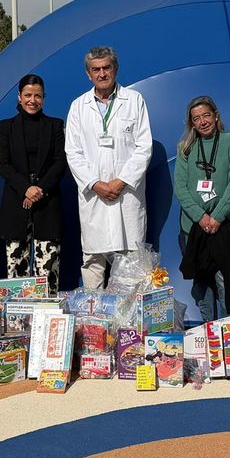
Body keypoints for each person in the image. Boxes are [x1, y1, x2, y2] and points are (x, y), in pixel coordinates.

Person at [64, 46, 153, 289]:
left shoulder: (134, 101)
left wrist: (120, 182)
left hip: (126, 195)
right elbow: (73, 151)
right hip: (95, 195)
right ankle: (94, 321)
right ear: (88, 74)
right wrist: (96, 184)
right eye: (96, 69)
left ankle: (130, 321)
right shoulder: (78, 106)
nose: (102, 73)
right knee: (94, 259)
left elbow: (143, 147)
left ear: (115, 69)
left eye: (106, 68)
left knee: (130, 260)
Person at [173, 96, 230, 320]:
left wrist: (216, 216)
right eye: (196, 118)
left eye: (206, 115)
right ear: (191, 123)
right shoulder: (185, 148)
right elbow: (181, 187)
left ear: (216, 115)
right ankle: (208, 331)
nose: (203, 121)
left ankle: (227, 329)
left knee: (225, 281)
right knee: (201, 282)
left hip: (222, 225)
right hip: (193, 228)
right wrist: (201, 217)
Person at [0, 74, 67, 280]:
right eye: (27, 95)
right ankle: (19, 311)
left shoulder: (55, 125)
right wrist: (25, 188)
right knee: (16, 265)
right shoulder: (6, 126)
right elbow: (3, 164)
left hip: (47, 200)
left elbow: (60, 162)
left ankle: (48, 309)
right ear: (19, 96)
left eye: (37, 96)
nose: (32, 100)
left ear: (43, 97)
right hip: (16, 200)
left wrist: (39, 190)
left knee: (48, 268)